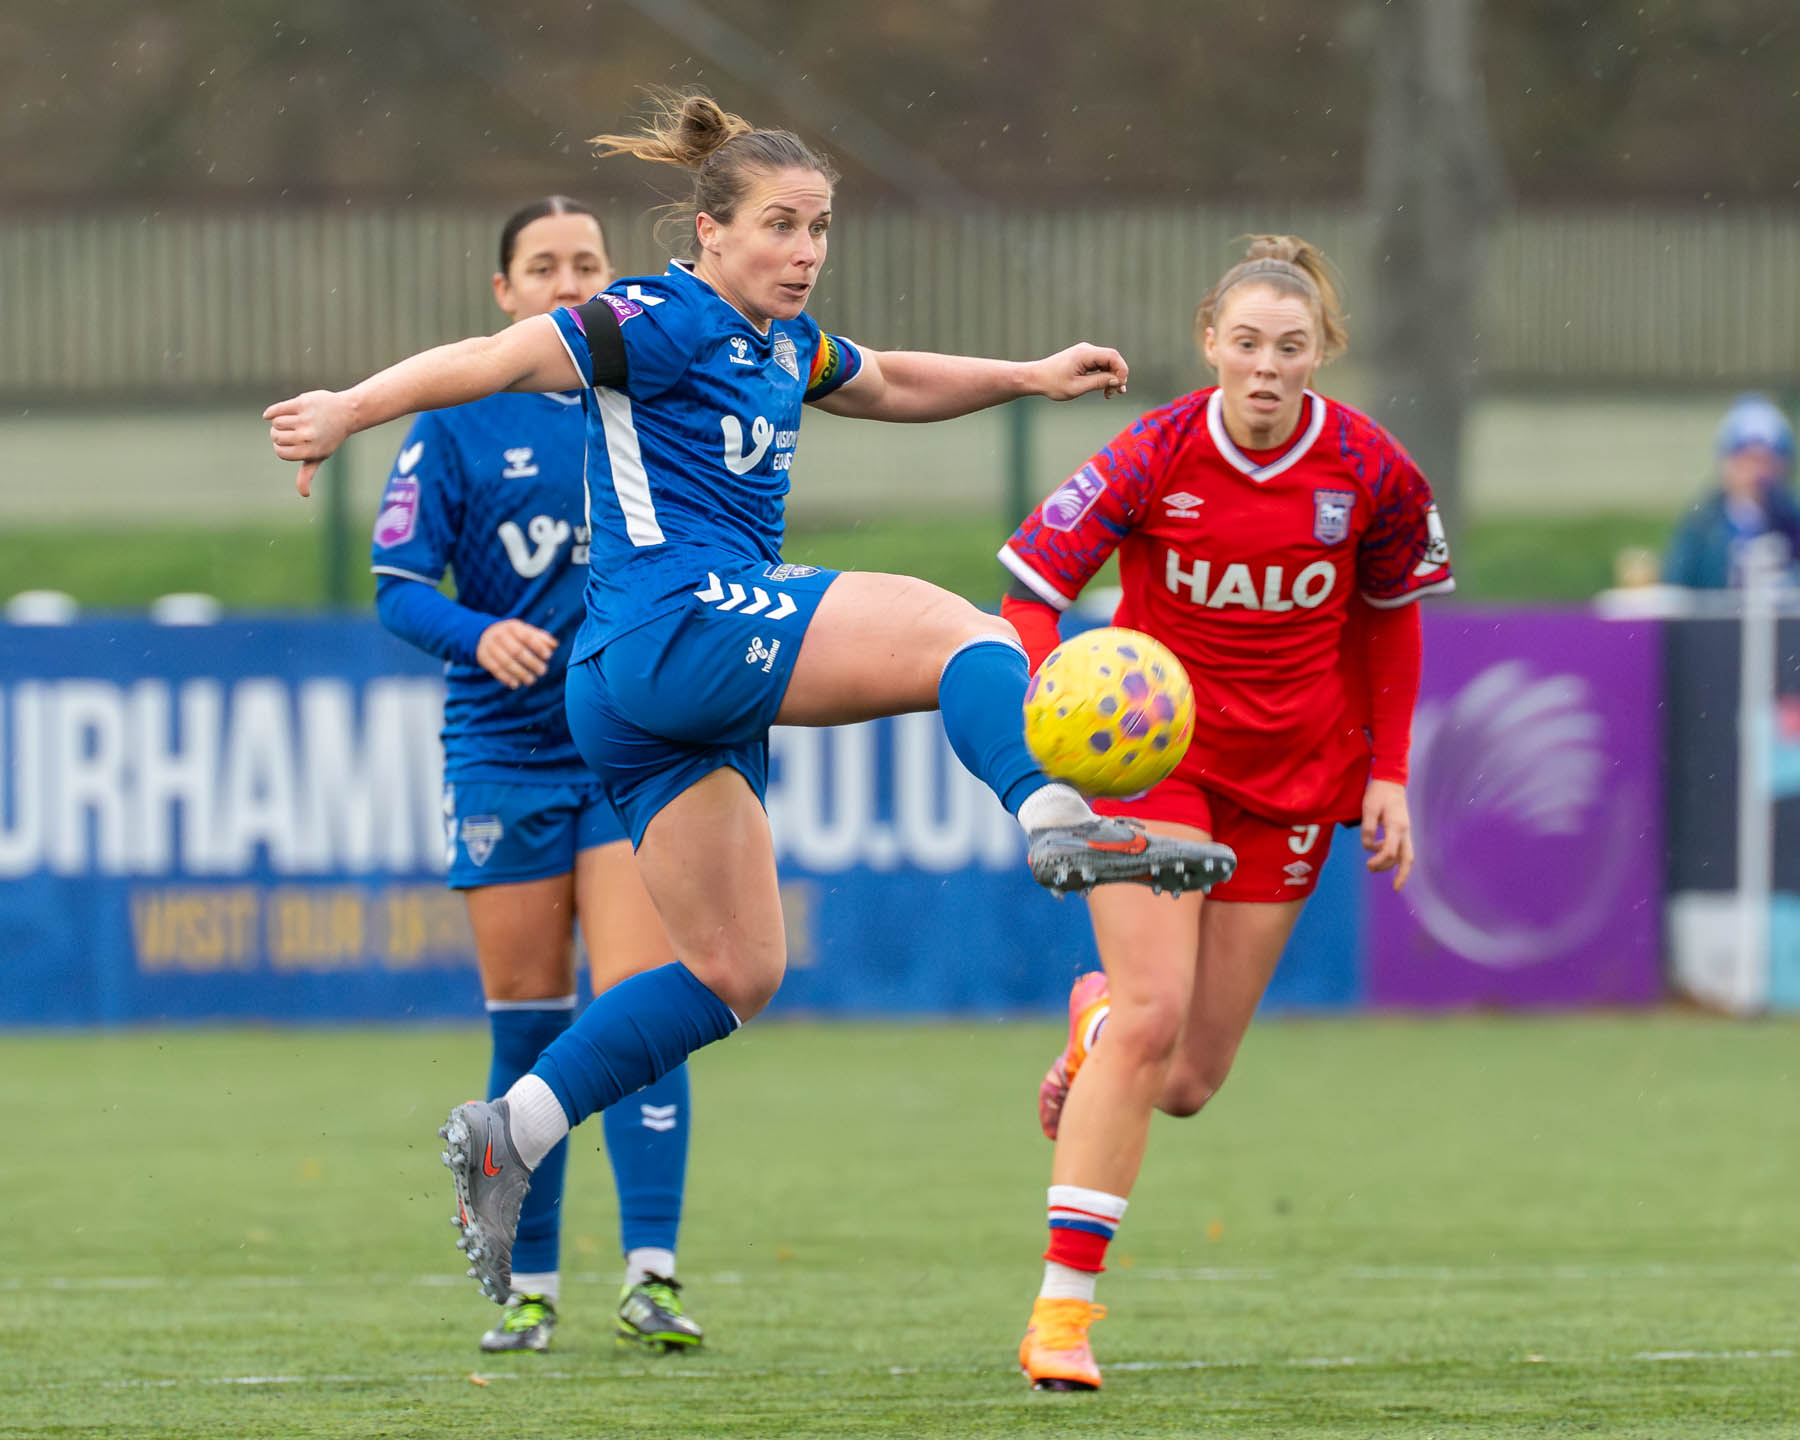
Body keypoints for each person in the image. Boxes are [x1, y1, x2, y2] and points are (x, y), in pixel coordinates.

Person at [265, 89, 1237, 1312]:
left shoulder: (784, 340)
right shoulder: (658, 317)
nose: (806, 250)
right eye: (781, 225)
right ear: (710, 231)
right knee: (966, 631)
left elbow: (889, 379)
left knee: (735, 972)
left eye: (819, 227)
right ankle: (1055, 817)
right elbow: (495, 358)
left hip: (639, 694)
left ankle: (511, 1131)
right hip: (677, 623)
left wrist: (1029, 376)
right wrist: (349, 409)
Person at [996, 235, 1454, 1390]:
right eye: (1245, 343)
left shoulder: (1373, 469)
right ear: (1209, 342)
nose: (1265, 366)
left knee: (1187, 1080)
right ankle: (1061, 1317)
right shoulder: (1155, 450)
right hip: (1162, 769)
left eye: (1288, 347)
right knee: (1157, 1014)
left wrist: (1389, 772)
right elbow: (1031, 590)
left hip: (1295, 780)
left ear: (1320, 352)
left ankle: (1094, 1024)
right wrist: (1055, 704)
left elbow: (1392, 618)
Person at [371, 196, 703, 1354]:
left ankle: (653, 1275)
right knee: (528, 1023)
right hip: (503, 753)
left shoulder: (652, 401)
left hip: (625, 743)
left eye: (588, 264)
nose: (569, 283)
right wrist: (479, 633)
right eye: (544, 266)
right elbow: (396, 587)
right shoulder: (458, 421)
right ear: (504, 293)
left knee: (637, 1005)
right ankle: (530, 1284)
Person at [1662, 393, 1800, 588]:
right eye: (1747, 460)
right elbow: (1677, 582)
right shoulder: (1703, 525)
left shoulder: (1791, 520)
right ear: (1727, 464)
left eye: (1767, 461)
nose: (1757, 472)